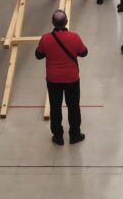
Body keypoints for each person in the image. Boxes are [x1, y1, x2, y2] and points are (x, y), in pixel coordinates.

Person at [35, 9, 88, 145]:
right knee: (73, 106)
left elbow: (38, 55)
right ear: (66, 22)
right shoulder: (74, 37)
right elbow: (84, 53)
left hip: (53, 79)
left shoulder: (45, 38)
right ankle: (74, 134)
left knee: (55, 107)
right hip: (71, 78)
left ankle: (58, 136)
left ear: (53, 22)